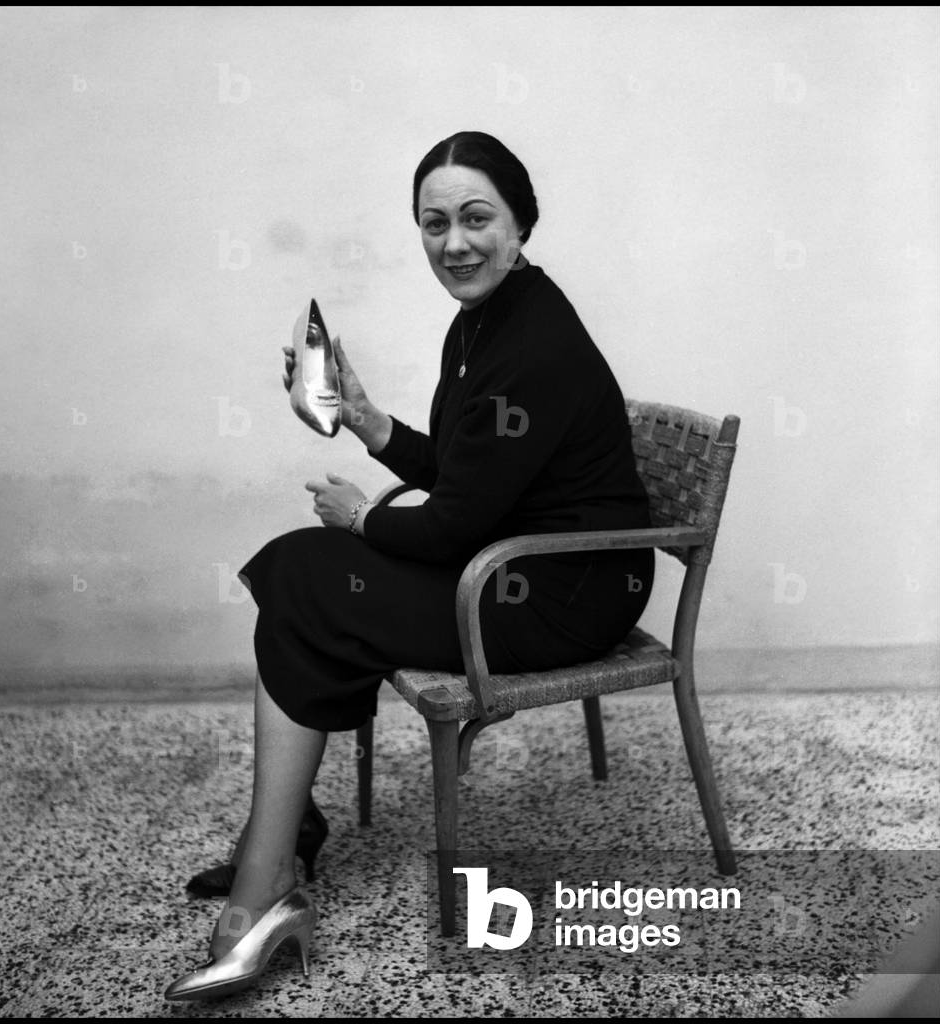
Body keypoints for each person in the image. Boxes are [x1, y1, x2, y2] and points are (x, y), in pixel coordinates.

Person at [164, 130, 655, 1001]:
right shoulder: (484, 321)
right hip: (507, 563)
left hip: (561, 587)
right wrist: (361, 416)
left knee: (308, 574)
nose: (454, 243)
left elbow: (459, 517)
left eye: (477, 218)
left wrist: (364, 519)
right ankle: (275, 852)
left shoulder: (531, 340)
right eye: (434, 224)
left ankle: (268, 870)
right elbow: (468, 475)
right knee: (301, 576)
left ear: (522, 223)